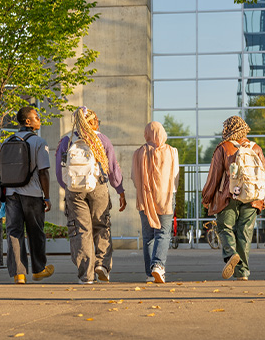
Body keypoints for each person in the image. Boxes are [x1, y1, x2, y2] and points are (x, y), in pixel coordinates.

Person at [55, 106, 126, 284]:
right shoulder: (101, 140)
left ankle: (85, 275)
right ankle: (102, 265)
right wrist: (120, 191)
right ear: (93, 122)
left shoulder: (67, 140)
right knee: (101, 225)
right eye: (97, 121)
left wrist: (69, 187)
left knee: (81, 230)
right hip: (98, 186)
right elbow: (113, 169)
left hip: (74, 190)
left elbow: (59, 171)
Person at [201, 115, 265, 280]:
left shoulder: (223, 148)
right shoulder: (256, 148)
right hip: (253, 197)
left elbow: (214, 178)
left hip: (229, 196)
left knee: (225, 227)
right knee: (244, 233)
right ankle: (243, 273)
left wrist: (206, 198)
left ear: (228, 129)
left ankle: (231, 254)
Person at [2, 106, 54, 284]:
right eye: (36, 117)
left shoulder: (6, 142)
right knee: (35, 231)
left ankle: (19, 274)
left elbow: (1, 172)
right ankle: (39, 269)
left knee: (14, 232)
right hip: (32, 194)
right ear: (28, 122)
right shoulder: (39, 142)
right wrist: (46, 197)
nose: (39, 120)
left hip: (11, 193)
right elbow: (43, 172)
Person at [132, 121, 179, 284]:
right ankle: (158, 265)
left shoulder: (138, 153)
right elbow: (176, 177)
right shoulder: (172, 152)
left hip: (145, 200)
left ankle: (150, 273)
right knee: (163, 233)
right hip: (165, 198)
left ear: (146, 134)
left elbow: (133, 177)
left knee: (148, 236)